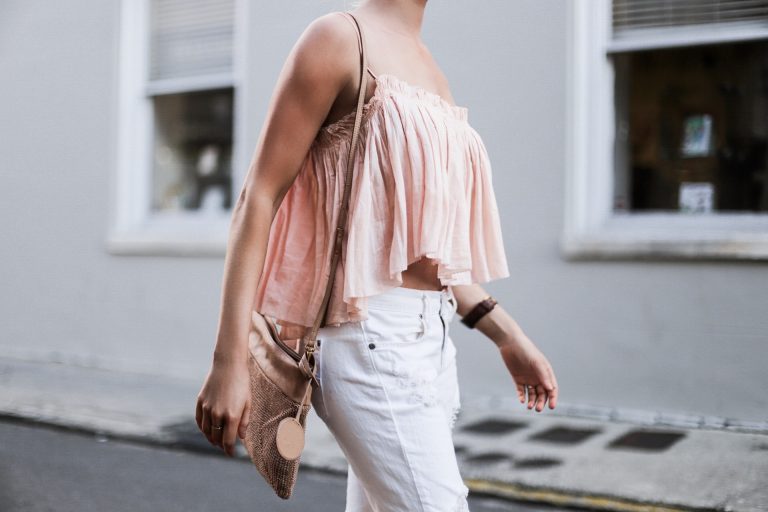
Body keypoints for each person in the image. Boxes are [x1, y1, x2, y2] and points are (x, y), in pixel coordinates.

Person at [195, 1, 558, 510]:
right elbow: (258, 197)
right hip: (367, 339)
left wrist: (506, 335)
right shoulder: (338, 39)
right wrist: (227, 360)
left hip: (431, 340)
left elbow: (425, 248)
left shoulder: (428, 65)